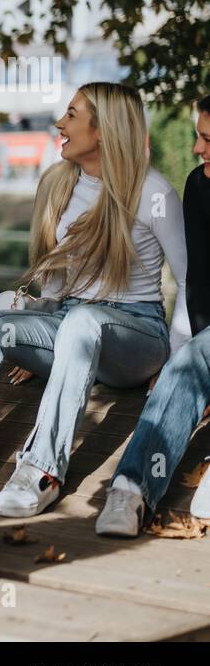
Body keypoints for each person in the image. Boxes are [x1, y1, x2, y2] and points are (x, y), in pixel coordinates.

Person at [0, 82, 190, 518]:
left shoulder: (154, 193)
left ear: (103, 129)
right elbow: (55, 285)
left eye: (71, 115)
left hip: (136, 339)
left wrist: (176, 361)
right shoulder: (59, 184)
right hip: (70, 325)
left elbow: (188, 281)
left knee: (83, 320)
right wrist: (33, 338)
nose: (59, 123)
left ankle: (42, 471)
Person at [97, 94, 210, 535]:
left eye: (208, 140)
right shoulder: (199, 186)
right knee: (190, 361)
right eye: (198, 137)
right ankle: (131, 488)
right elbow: (197, 282)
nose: (198, 149)